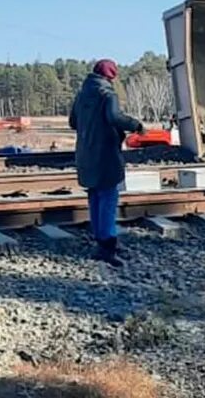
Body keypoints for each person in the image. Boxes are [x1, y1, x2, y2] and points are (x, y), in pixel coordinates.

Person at [69, 59, 143, 267]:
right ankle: (107, 246)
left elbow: (73, 122)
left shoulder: (82, 94)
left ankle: (100, 239)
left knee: (95, 195)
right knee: (109, 197)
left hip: (85, 153)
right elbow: (114, 117)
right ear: (111, 77)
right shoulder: (107, 94)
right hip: (106, 154)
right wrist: (135, 125)